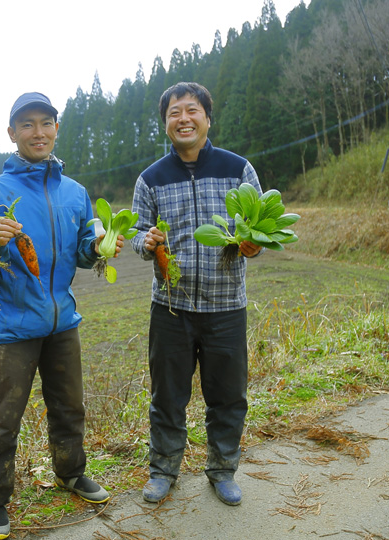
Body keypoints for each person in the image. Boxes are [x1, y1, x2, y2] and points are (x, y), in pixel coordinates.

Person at [0, 92, 121, 539]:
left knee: (70, 407)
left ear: (56, 128)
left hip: (63, 322)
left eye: (46, 122)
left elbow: (85, 250)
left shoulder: (75, 193)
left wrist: (100, 248)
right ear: (12, 134)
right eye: (27, 124)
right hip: (14, 326)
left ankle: (71, 473)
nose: (39, 132)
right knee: (1, 420)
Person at [130, 82, 263, 507]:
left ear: (208, 118)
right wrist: (145, 242)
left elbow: (259, 229)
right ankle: (163, 470)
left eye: (191, 110)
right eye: (174, 113)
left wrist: (254, 243)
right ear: (166, 123)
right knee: (167, 396)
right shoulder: (151, 178)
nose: (183, 119)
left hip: (226, 306)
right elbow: (136, 233)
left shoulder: (238, 169)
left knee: (228, 395)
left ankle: (222, 470)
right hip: (171, 308)